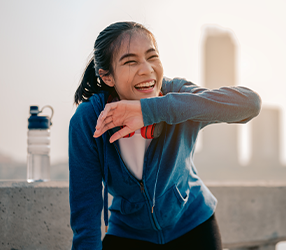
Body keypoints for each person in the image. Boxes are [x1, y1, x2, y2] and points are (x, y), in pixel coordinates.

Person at [69, 21, 261, 250]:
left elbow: (250, 104)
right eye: (130, 61)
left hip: (194, 225)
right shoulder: (89, 119)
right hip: (129, 233)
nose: (147, 69)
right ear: (107, 76)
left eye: (152, 57)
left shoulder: (178, 95)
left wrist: (150, 110)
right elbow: (86, 220)